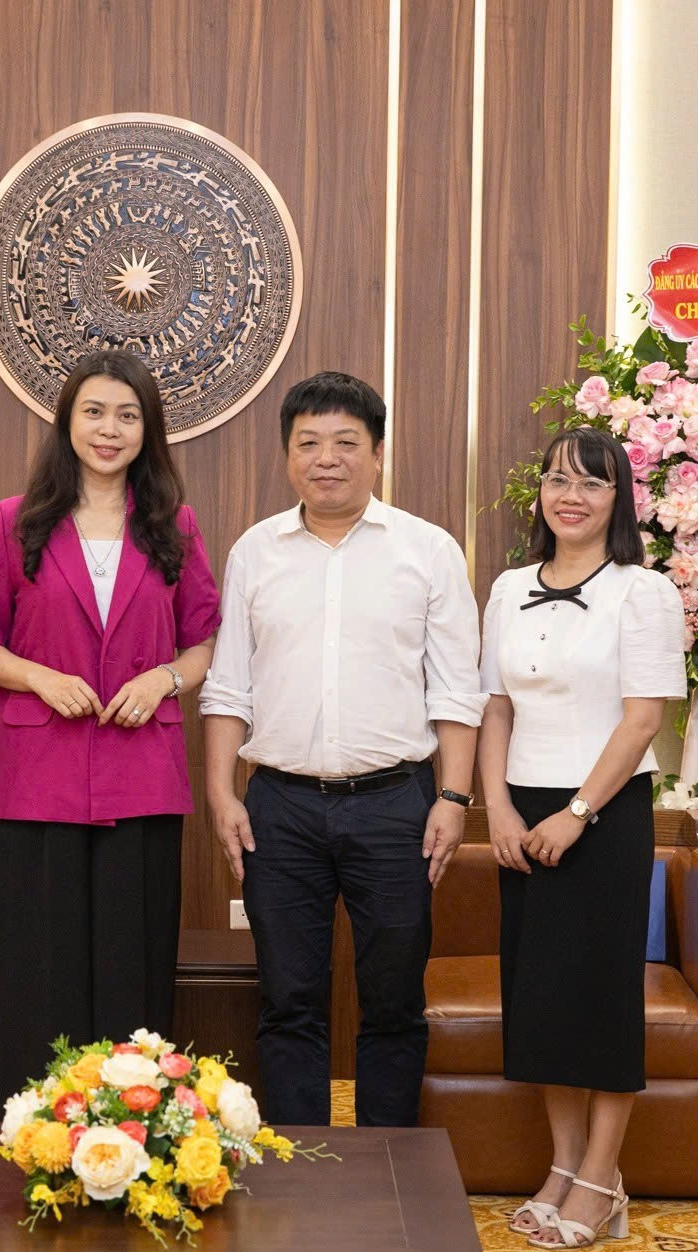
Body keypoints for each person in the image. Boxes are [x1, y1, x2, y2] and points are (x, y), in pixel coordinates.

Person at [200, 371, 483, 1128]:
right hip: (279, 806)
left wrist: (454, 799)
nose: (327, 458)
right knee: (288, 997)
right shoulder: (255, 551)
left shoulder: (427, 550)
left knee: (392, 998)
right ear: (288, 455)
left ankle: (390, 1173)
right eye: (309, 443)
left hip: (397, 803)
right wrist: (223, 794)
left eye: (346, 443)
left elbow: (457, 691)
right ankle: (300, 1171)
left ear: (378, 453)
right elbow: (229, 686)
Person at [0, 350, 221, 1119]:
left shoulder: (175, 525)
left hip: (141, 774)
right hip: (39, 774)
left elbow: (203, 642)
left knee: (130, 963)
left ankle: (137, 1133)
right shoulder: (15, 521)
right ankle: (32, 1132)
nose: (110, 430)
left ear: (149, 431)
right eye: (95, 412)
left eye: (128, 415)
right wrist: (40, 676)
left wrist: (162, 679)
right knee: (39, 967)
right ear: (67, 421)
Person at [477, 425, 686, 1249]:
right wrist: (494, 806)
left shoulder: (644, 591)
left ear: (617, 500)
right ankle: (562, 1167)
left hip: (603, 813)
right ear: (540, 493)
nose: (572, 496)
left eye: (592, 484)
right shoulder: (505, 586)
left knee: (597, 1002)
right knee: (541, 1000)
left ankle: (602, 1180)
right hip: (519, 810)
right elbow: (494, 707)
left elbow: (643, 720)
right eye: (559, 479)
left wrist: (577, 814)